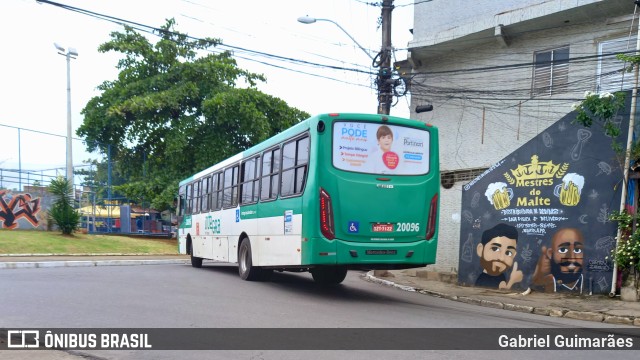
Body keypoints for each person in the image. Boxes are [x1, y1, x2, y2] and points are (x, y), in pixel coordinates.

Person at [532, 227, 584, 293]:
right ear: (550, 253)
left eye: (577, 250)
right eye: (563, 250)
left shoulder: (588, 283)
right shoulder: (547, 282)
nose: (572, 259)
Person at [475, 223, 523, 290]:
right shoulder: (483, 280)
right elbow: (497, 295)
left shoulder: (501, 276)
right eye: (495, 249)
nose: (501, 258)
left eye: (508, 253)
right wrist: (512, 281)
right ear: (480, 250)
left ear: (514, 255)